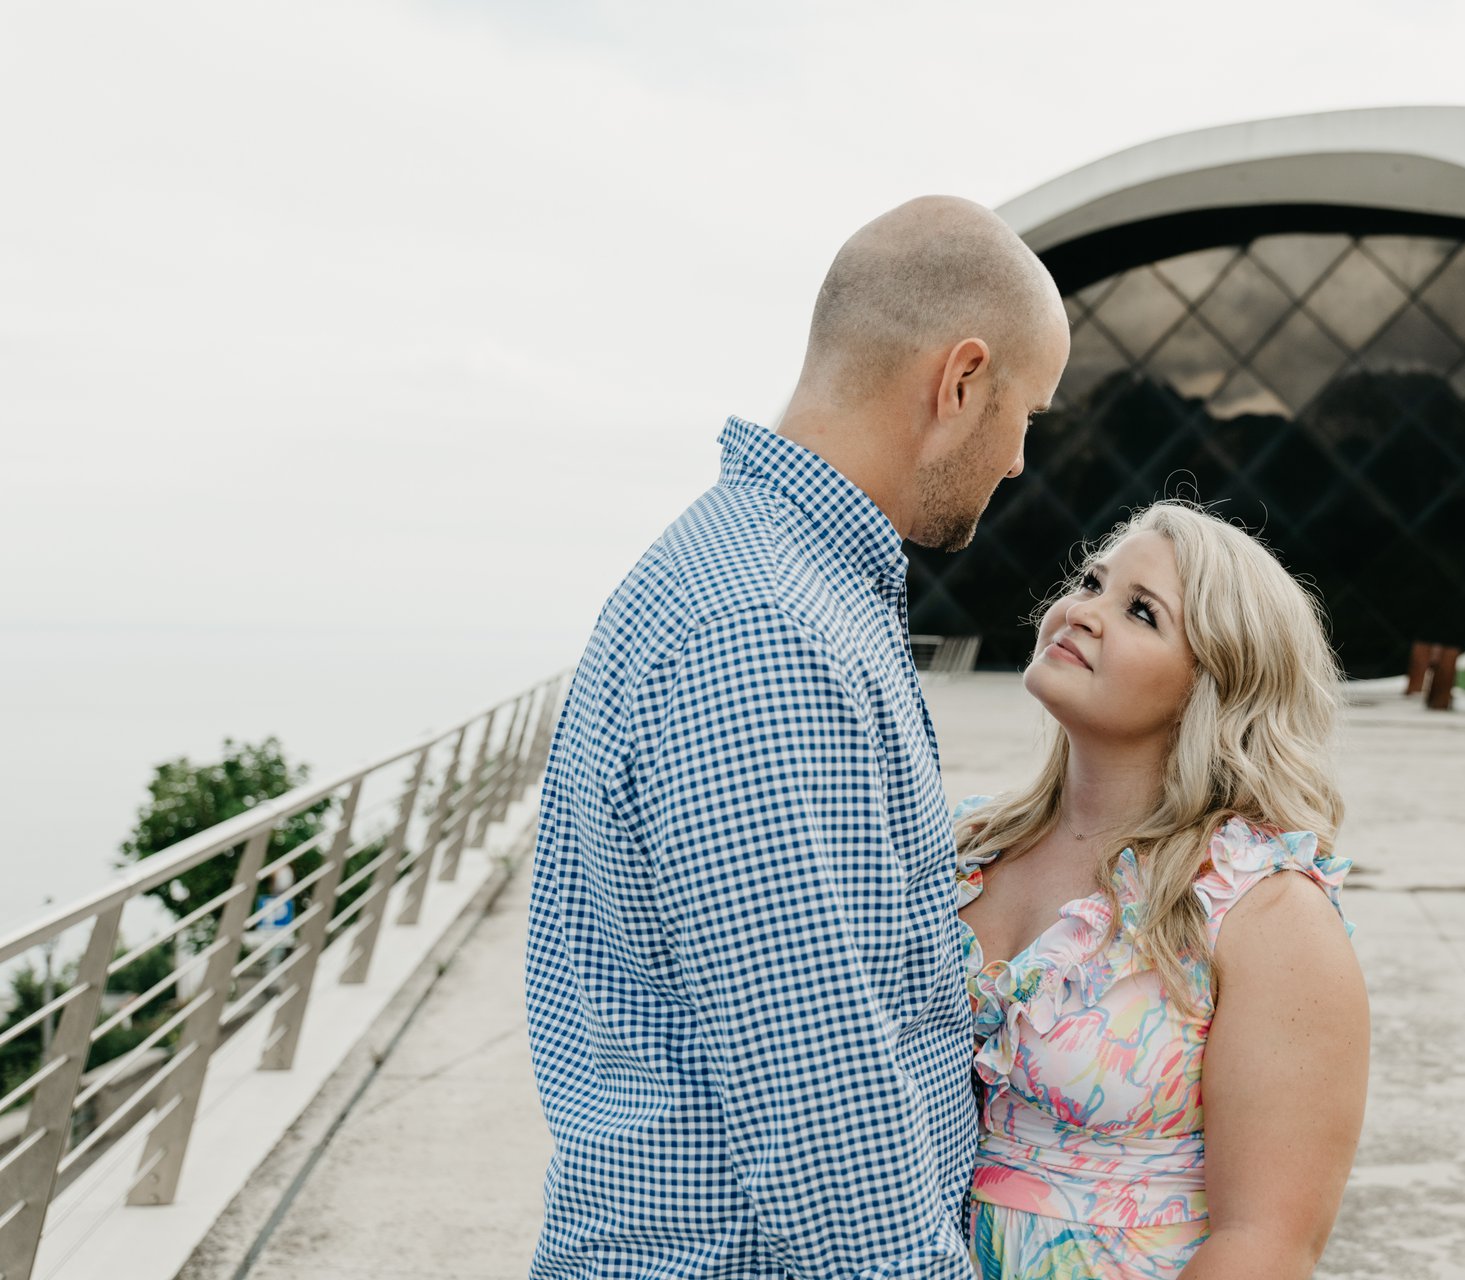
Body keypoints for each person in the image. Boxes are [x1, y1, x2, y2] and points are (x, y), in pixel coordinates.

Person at [523, 196, 1071, 1279]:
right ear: (961, 381)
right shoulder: (764, 630)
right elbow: (817, 1100)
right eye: (1028, 414)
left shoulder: (780, 582)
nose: (1018, 460)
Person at [953, 502, 1368, 1280]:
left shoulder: (1265, 911)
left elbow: (1266, 1245)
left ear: (1212, 685)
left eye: (1141, 611)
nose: (1081, 612)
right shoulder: (962, 846)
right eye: (1092, 582)